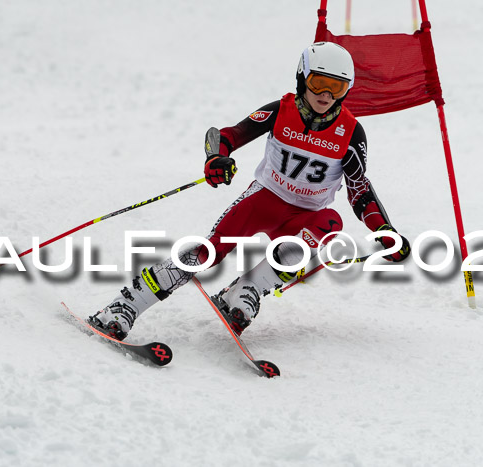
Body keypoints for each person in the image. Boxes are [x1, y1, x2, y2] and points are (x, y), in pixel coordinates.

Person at [89, 42, 411, 339]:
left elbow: (359, 189)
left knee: (330, 223)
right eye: (318, 83)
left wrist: (384, 229)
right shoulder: (281, 111)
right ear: (302, 77)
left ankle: (247, 291)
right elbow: (225, 135)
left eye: (336, 86)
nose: (326, 94)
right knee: (207, 254)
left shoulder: (351, 134)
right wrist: (216, 158)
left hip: (306, 218)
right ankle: (125, 305)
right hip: (263, 200)